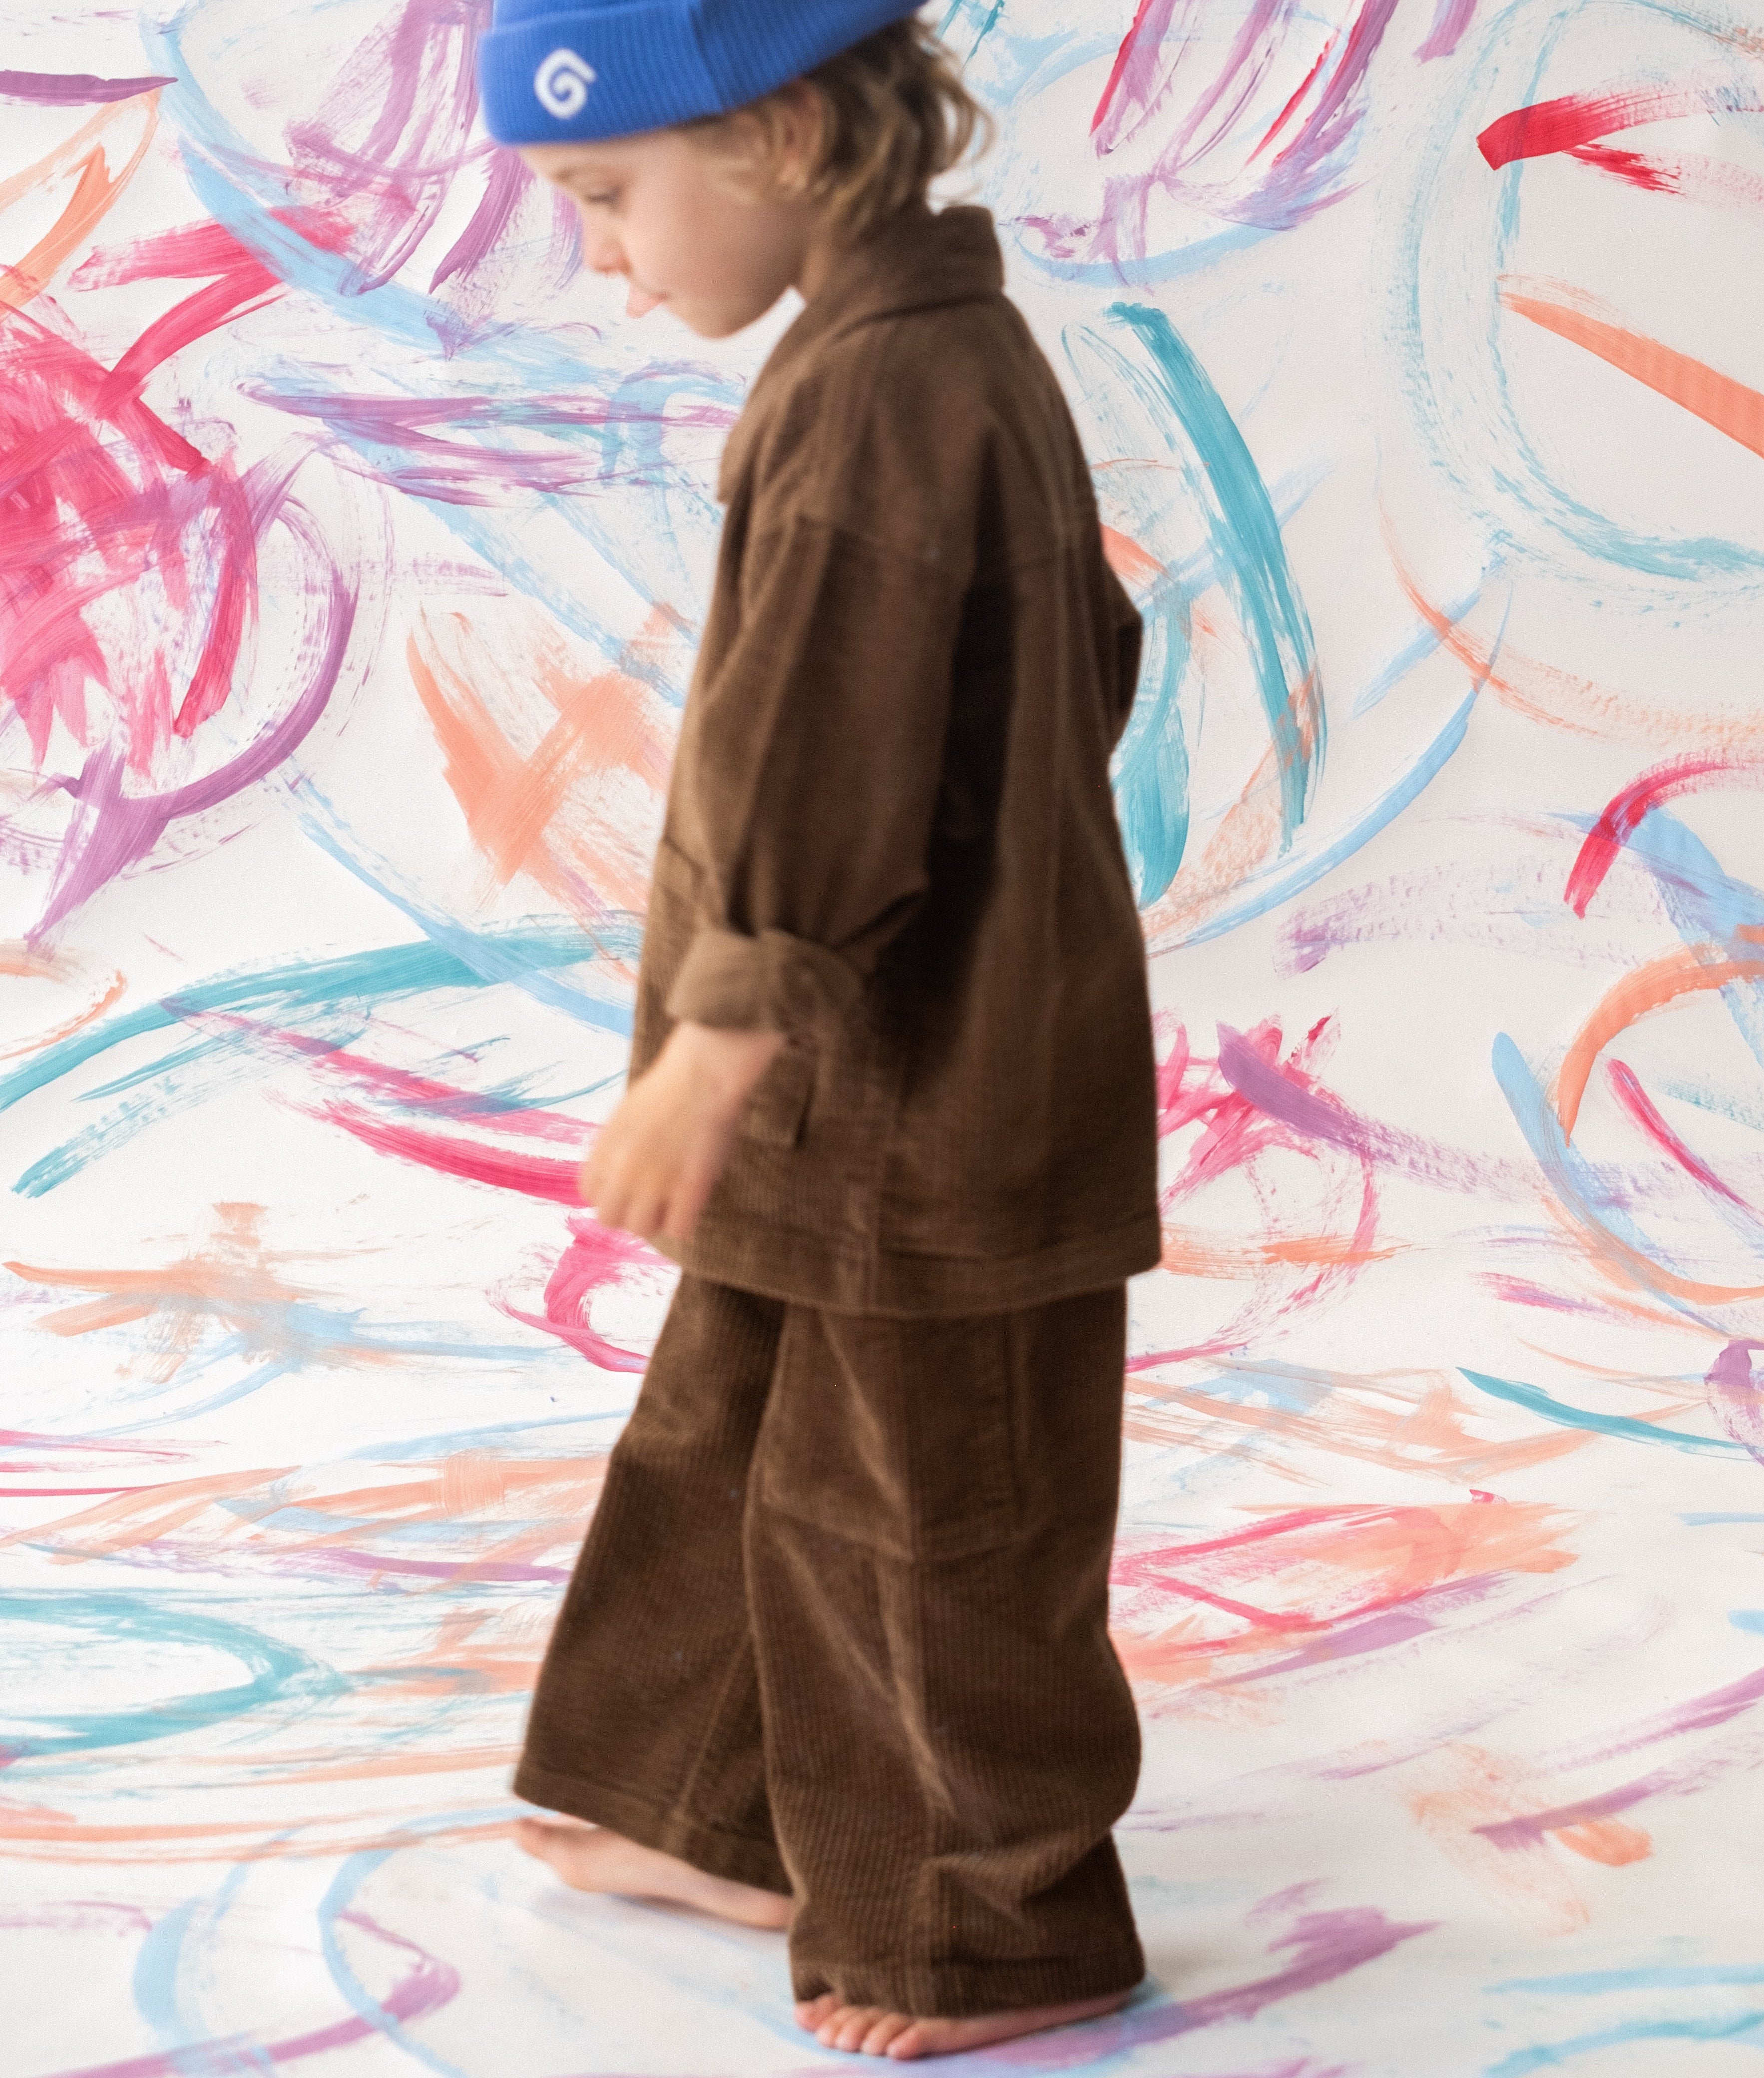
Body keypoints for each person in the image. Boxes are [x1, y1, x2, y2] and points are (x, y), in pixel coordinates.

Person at [476, 1, 1161, 2059]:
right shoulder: (917, 354)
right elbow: (1086, 652)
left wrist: (725, 1031)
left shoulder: (886, 387)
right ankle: (698, 1802)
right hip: (841, 1086)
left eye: (607, 195)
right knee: (738, 1435)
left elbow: (829, 737)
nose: (600, 255)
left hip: (924, 1092)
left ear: (776, 135)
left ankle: (1001, 1928)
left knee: (934, 1507)